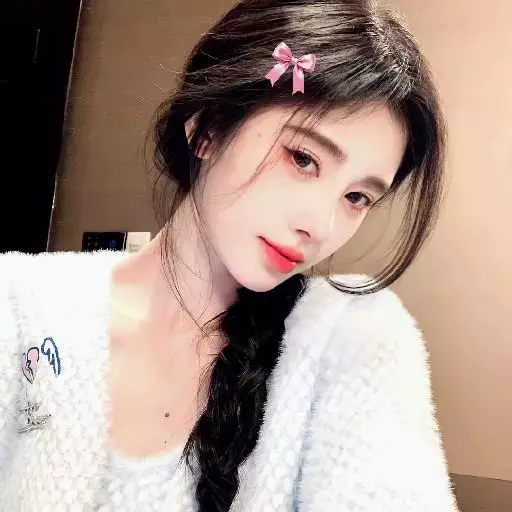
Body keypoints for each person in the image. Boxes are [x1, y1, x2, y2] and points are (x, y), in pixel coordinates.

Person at [0, 0, 459, 510]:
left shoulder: (348, 338)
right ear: (208, 128)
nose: (321, 226)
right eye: (303, 158)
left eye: (357, 197)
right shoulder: (21, 307)